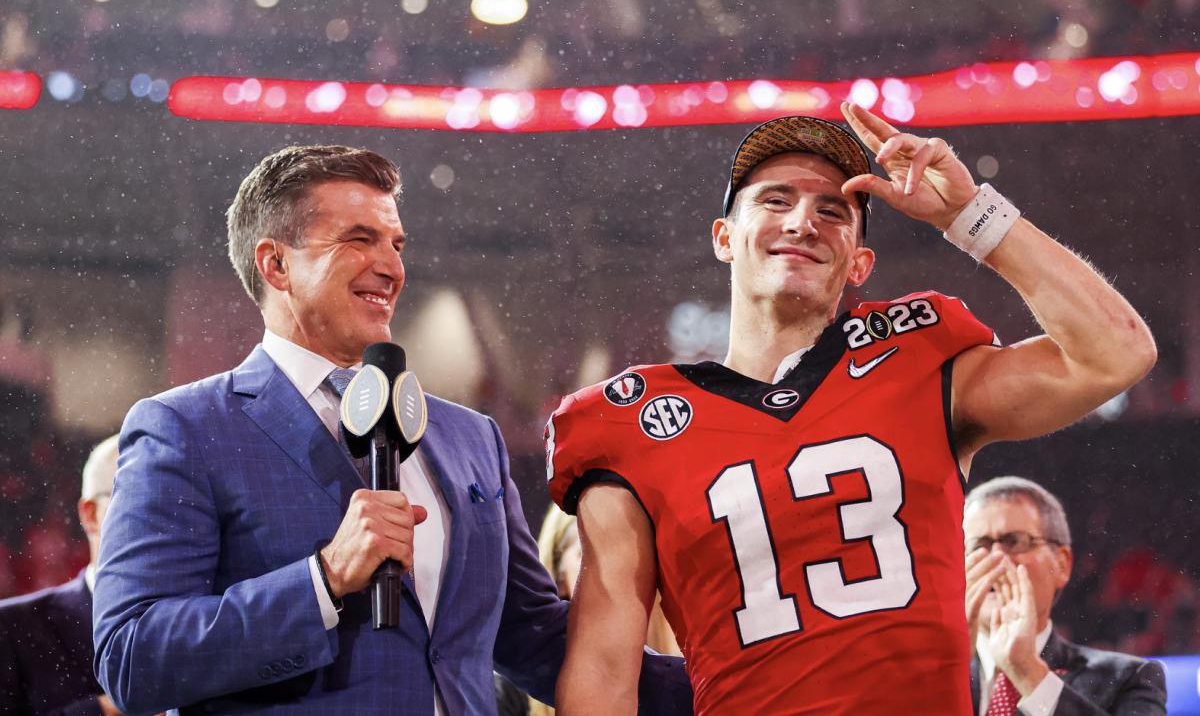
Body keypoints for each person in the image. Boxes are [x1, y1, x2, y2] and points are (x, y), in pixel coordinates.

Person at [546, 104, 1157, 715]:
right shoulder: (630, 424)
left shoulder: (918, 363)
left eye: (832, 211)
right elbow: (603, 669)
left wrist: (972, 217)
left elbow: (1116, 353)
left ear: (860, 263)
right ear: (725, 238)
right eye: (776, 201)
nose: (803, 222)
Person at [92, 146, 691, 715]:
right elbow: (132, 658)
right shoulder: (185, 427)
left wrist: (733, 686)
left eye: (396, 244)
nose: (392, 267)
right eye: (359, 240)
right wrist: (322, 579)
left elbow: (533, 636)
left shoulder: (469, 437)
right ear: (276, 264)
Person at [964, 476, 1167, 715]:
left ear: (1061, 564)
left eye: (1015, 541)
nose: (996, 557)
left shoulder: (1128, 679)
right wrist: (946, 669)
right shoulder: (927, 674)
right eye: (978, 546)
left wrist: (1028, 673)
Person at [0, 435, 127, 716]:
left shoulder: (214, 622)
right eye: (139, 498)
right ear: (91, 514)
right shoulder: (12, 629)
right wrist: (103, 710)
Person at [529, 505, 681, 716]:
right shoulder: (510, 693)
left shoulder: (692, 661)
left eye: (631, 551)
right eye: (588, 554)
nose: (616, 567)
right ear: (560, 575)